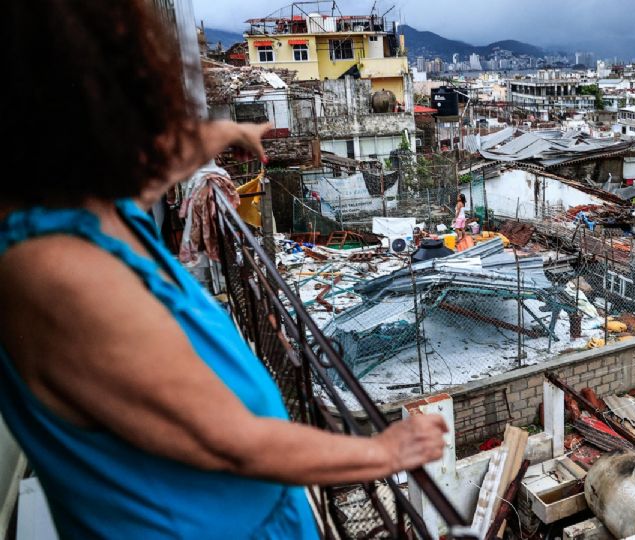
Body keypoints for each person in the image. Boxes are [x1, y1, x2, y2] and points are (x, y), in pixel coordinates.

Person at [0, 2, 445, 538]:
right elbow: (233, 444)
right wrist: (384, 451)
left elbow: (154, 167)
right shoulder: (58, 274)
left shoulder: (86, 211)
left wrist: (226, 135)